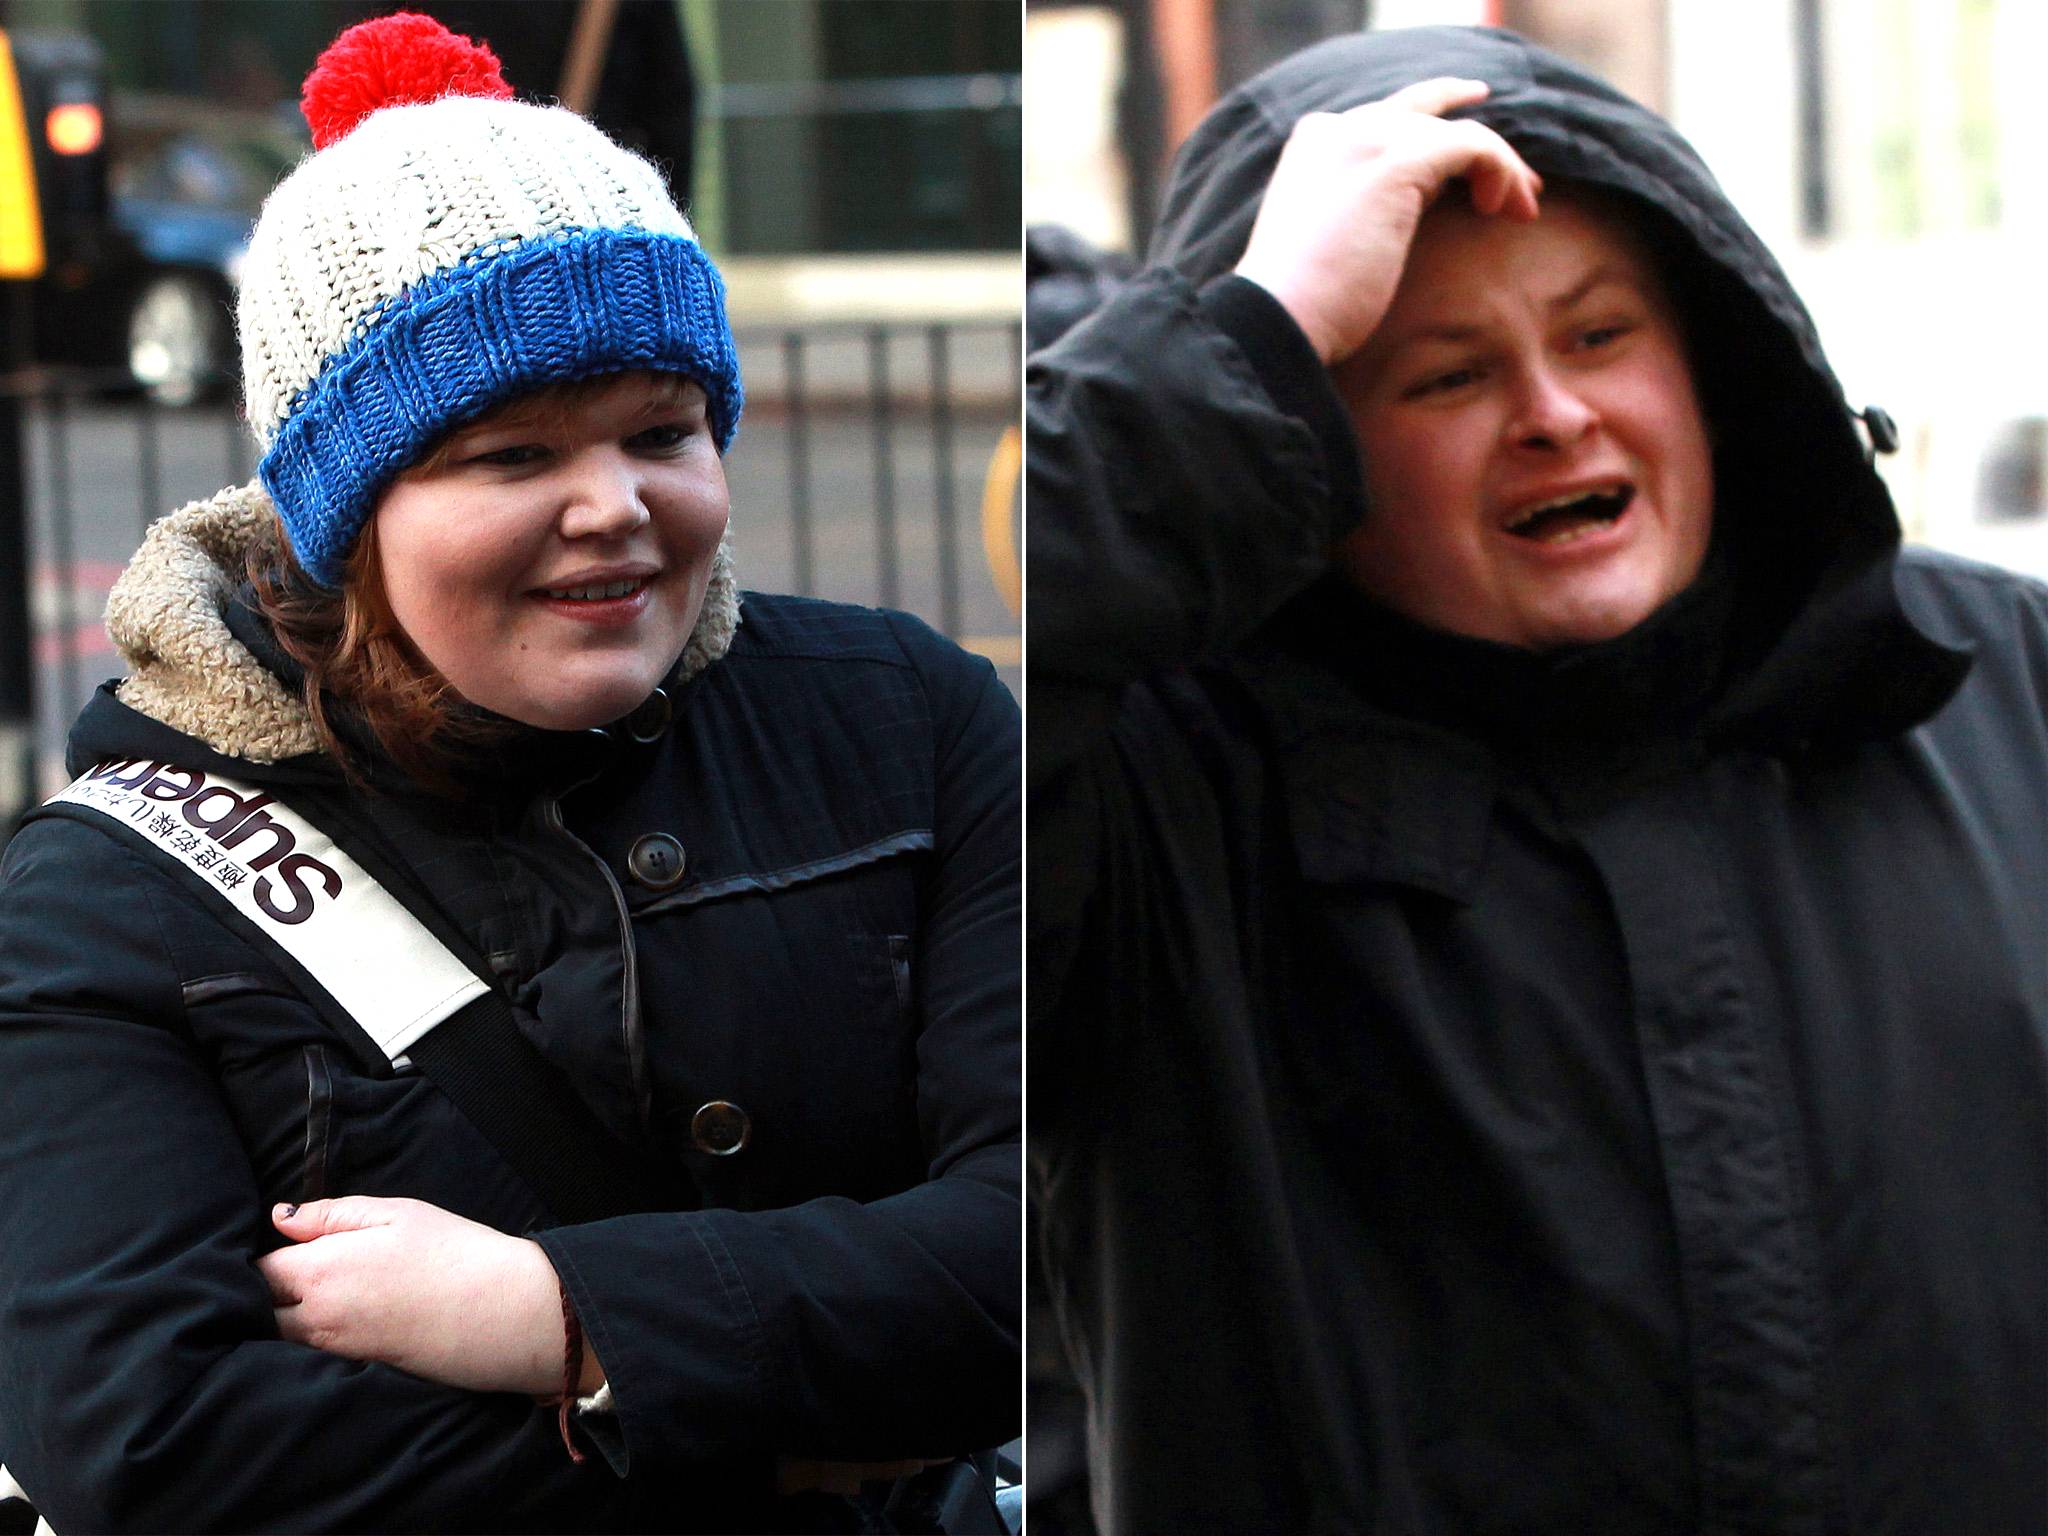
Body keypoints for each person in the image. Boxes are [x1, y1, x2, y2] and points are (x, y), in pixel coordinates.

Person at [0, 14, 1019, 1533]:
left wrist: (560, 1318)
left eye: (662, 431)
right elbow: (164, 1455)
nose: (612, 506)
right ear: (343, 514)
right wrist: (804, 1439)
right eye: (511, 456)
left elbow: (1053, 1254)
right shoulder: (98, 901)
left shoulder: (911, 724)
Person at [1028, 24, 2044, 1536]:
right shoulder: (1155, 795)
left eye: (1599, 335)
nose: (1553, 413)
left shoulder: (1993, 670)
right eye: (1444, 375)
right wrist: (1246, 330)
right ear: (1308, 452)